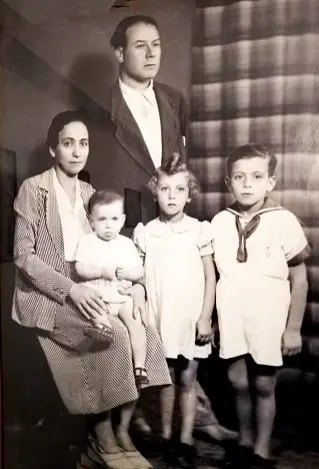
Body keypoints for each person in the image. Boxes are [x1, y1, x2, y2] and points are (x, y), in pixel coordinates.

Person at [84, 13, 237, 443]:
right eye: (139, 45)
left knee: (177, 321)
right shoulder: (98, 104)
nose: (152, 54)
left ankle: (192, 418)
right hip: (126, 224)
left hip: (170, 222)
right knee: (137, 320)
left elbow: (176, 167)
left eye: (156, 45)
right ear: (118, 52)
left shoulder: (173, 99)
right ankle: (135, 420)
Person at [12, 110, 172, 469]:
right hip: (48, 294)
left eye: (83, 143)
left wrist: (135, 288)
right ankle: (100, 438)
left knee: (144, 331)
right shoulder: (33, 190)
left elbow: (110, 246)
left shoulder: (89, 192)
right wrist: (71, 290)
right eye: (68, 143)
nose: (76, 151)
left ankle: (122, 430)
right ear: (53, 149)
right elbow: (23, 256)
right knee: (111, 335)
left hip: (90, 283)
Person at [210, 144, 310, 468]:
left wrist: (293, 328)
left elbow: (300, 278)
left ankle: (261, 451)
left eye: (256, 176)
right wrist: (212, 320)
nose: (247, 184)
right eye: (239, 177)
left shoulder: (284, 220)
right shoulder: (219, 222)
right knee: (237, 381)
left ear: (271, 182)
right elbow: (211, 276)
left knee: (264, 383)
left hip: (268, 316)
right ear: (228, 183)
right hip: (232, 315)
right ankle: (244, 440)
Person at [133, 153, 216, 467]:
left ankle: (186, 439)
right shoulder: (146, 232)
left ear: (189, 194)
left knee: (188, 378)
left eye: (179, 189)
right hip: (160, 317)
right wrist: (140, 300)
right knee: (164, 378)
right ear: (155, 191)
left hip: (190, 318)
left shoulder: (199, 230)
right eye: (165, 189)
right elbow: (138, 276)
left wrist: (206, 317)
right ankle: (167, 436)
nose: (172, 196)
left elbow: (210, 276)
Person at [74, 189, 148, 385]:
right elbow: (80, 268)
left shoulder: (126, 244)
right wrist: (101, 271)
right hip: (99, 295)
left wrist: (128, 274)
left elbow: (139, 271)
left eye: (114, 219)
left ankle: (140, 366)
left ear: (123, 220)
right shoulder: (87, 242)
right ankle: (103, 329)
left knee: (135, 322)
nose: (108, 225)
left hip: (121, 295)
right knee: (95, 310)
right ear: (91, 222)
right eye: (102, 219)